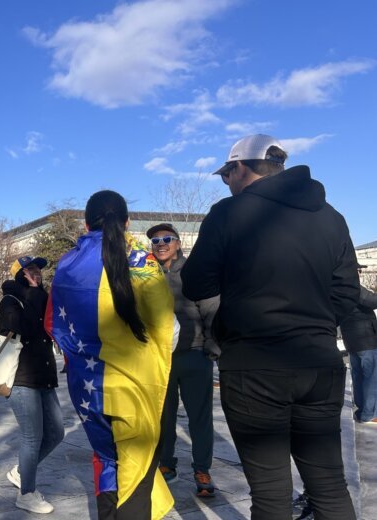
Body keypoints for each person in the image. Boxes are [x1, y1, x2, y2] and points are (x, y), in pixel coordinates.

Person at [181, 134, 360, 519]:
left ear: (241, 167)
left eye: (226, 173)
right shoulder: (331, 216)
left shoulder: (229, 213)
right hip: (319, 361)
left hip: (254, 364)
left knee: (271, 494)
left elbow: (196, 283)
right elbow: (347, 292)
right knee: (329, 485)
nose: (226, 182)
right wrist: (314, 325)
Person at [47, 191, 176, 519]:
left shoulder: (66, 265)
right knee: (135, 476)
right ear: (128, 221)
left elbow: (53, 324)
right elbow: (169, 329)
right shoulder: (141, 261)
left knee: (108, 464)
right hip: (133, 390)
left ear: (87, 223)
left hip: (87, 390)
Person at [147, 223, 219, 497]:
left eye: (167, 239)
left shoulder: (193, 271)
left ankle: (202, 469)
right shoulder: (145, 274)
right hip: (159, 358)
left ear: (178, 243)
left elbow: (212, 307)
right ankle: (166, 464)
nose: (161, 243)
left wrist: (212, 346)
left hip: (194, 353)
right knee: (163, 417)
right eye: (155, 240)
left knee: (199, 417)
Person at [0, 256, 64, 515]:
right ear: (19, 274)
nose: (36, 273)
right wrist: (37, 295)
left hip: (44, 376)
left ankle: (20, 471)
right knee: (32, 436)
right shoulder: (10, 301)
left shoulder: (41, 298)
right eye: (30, 269)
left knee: (57, 432)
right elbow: (23, 328)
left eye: (38, 269)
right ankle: (26, 494)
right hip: (21, 378)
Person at [340, 279, 377, 425]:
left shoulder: (338, 288)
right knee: (371, 376)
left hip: (351, 338)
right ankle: (369, 413)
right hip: (365, 338)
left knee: (358, 375)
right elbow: (370, 301)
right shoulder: (351, 285)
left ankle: (362, 409)